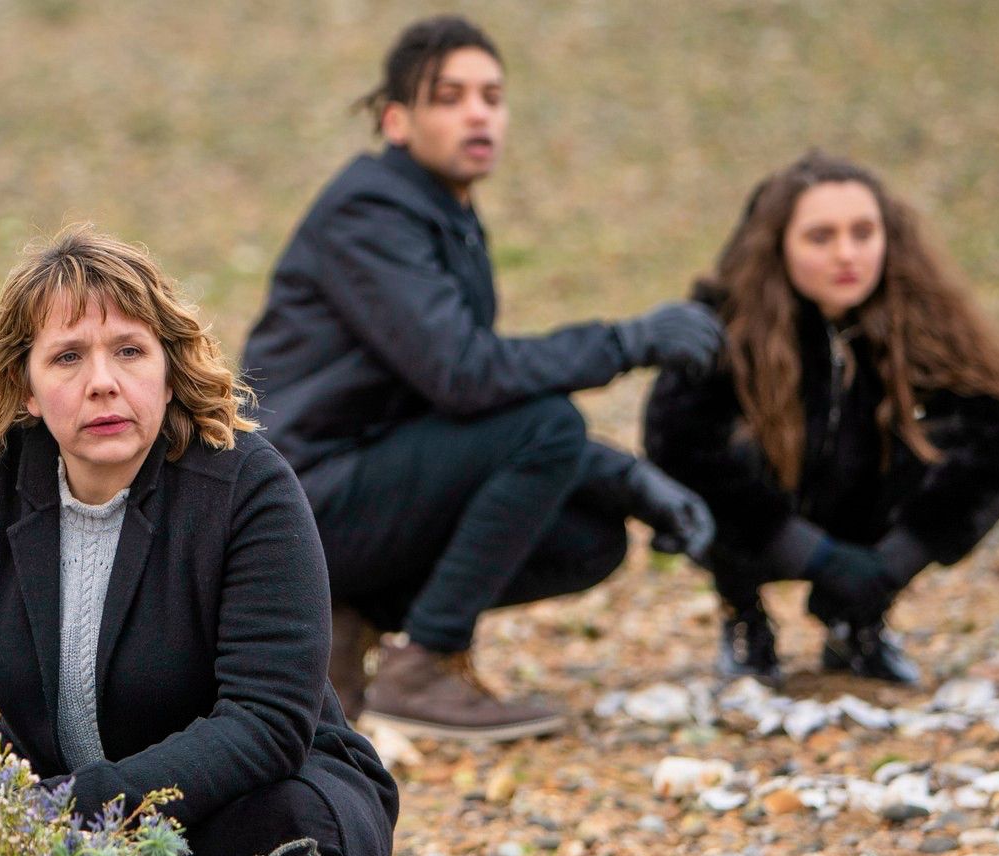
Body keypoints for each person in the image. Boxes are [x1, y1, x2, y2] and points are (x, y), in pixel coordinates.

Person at [242, 15, 720, 741]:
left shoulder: (442, 213)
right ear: (396, 120)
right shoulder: (370, 213)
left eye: (492, 96)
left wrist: (627, 481)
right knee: (548, 424)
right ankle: (423, 666)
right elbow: (466, 375)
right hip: (293, 503)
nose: (478, 112)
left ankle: (350, 620)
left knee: (589, 535)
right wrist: (631, 340)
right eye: (451, 96)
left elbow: (461, 400)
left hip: (358, 486)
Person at [0, 226, 398, 856]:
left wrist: (76, 810)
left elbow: (266, 720)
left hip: (252, 800)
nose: (103, 383)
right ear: (27, 388)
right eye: (67, 357)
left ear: (168, 368)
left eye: (129, 351)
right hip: (52, 811)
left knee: (289, 836)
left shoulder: (248, 487)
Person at [644, 152, 999, 686]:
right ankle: (744, 616)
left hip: (865, 519)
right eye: (821, 237)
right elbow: (676, 446)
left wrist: (894, 562)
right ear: (779, 244)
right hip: (766, 521)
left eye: (863, 233)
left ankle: (859, 620)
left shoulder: (918, 319)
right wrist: (816, 557)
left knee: (943, 437)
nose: (847, 254)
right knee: (714, 461)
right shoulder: (722, 328)